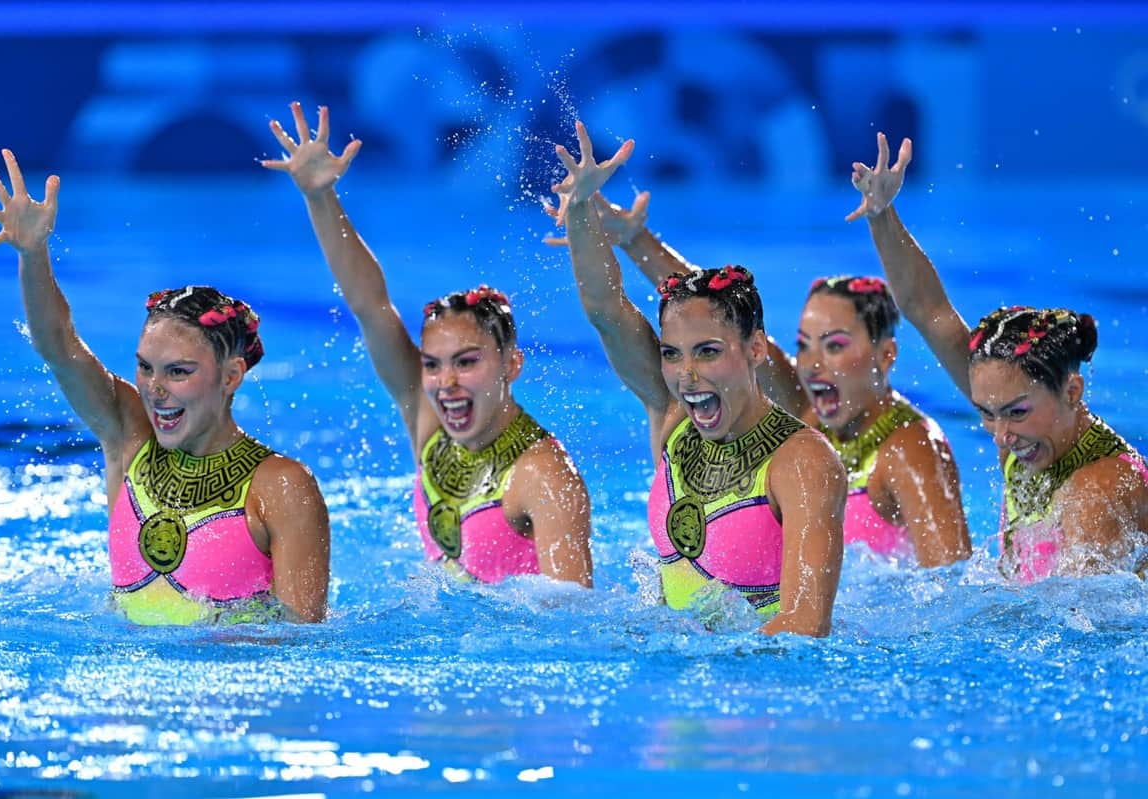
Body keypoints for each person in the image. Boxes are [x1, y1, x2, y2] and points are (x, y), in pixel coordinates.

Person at [0, 150, 330, 624]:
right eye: (145, 368)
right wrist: (33, 255)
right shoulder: (129, 436)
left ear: (231, 376)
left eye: (178, 371)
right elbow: (59, 349)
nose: (155, 389)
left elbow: (301, 641)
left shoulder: (281, 487)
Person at [263, 102, 593, 587]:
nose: (446, 382)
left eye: (467, 362)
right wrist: (320, 197)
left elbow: (574, 614)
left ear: (512, 365)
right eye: (434, 365)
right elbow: (370, 305)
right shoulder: (428, 417)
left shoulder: (545, 476)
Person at [547, 191, 971, 567]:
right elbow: (712, 318)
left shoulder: (909, 448)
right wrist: (636, 240)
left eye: (835, 346)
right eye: (804, 346)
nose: (812, 364)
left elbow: (948, 583)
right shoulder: (805, 415)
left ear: (886, 354)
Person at [552, 121, 845, 635]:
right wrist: (579, 208)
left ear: (755, 349)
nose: (686, 375)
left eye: (708, 353)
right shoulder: (672, 418)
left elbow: (805, 624)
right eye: (672, 354)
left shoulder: (803, 462)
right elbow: (605, 310)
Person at [847, 132, 1148, 581]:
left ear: (1072, 391)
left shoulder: (1097, 491)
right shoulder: (1033, 430)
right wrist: (881, 215)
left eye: (1015, 413)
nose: (1000, 436)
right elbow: (927, 310)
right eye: (986, 414)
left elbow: (1075, 619)